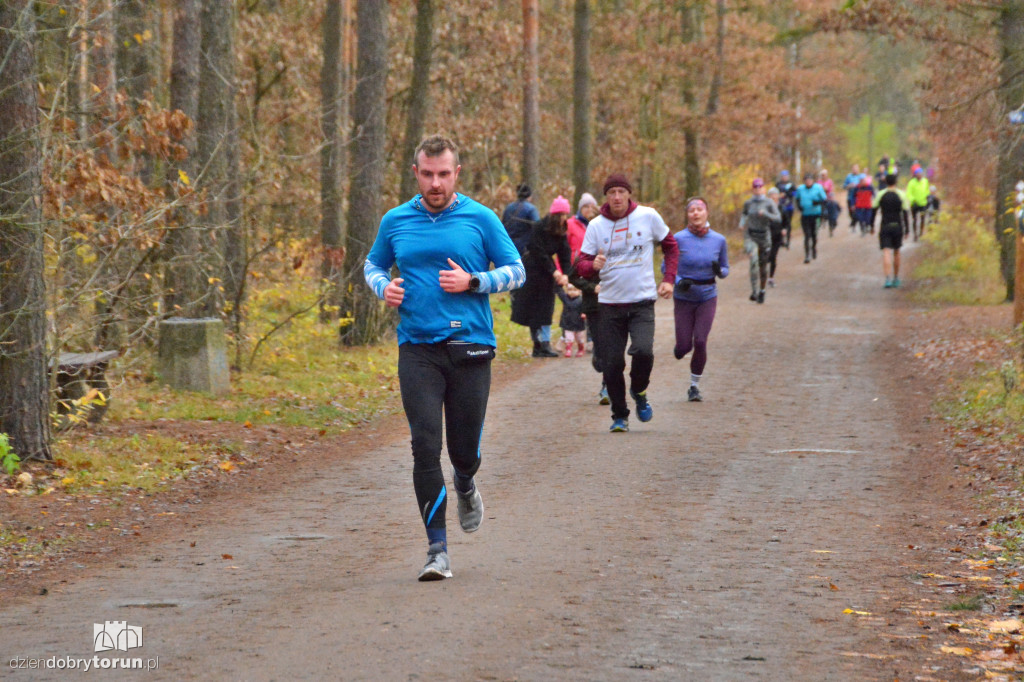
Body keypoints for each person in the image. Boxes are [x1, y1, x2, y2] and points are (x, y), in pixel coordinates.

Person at [363, 135, 525, 581]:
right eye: (428, 174)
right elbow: (373, 265)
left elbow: (517, 271)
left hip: (471, 347)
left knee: (463, 450)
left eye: (444, 174)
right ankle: (437, 550)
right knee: (424, 446)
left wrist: (474, 282)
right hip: (417, 349)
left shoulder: (482, 218)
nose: (436, 182)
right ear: (415, 173)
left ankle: (467, 481)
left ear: (457, 173)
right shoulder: (395, 220)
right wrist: (384, 288)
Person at [576, 173, 678, 433]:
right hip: (609, 304)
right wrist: (592, 265)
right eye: (612, 193)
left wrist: (668, 278)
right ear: (606, 197)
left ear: (629, 193)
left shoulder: (648, 216)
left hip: (642, 301)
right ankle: (619, 415)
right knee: (611, 363)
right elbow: (580, 266)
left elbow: (670, 246)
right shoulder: (596, 225)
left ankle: (639, 389)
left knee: (643, 351)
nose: (617, 197)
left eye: (621, 191)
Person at [672, 196, 729, 402]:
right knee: (684, 347)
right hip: (684, 296)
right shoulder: (678, 238)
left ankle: (694, 386)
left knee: (701, 340)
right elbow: (666, 266)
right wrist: (679, 281)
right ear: (687, 215)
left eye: (699, 209)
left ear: (707, 213)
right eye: (691, 210)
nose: (695, 213)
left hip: (707, 295)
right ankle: (680, 348)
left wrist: (719, 271)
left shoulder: (719, 240)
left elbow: (725, 269)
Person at [511, 195, 573, 357]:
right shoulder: (539, 227)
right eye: (562, 215)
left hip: (547, 275)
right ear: (555, 216)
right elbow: (538, 251)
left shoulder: (561, 231)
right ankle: (537, 344)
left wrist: (565, 274)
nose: (564, 219)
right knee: (533, 310)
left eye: (566, 215)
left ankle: (545, 343)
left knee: (546, 309)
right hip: (532, 271)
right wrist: (554, 271)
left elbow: (564, 253)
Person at [739, 177, 780, 303]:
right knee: (753, 261)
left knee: (763, 266)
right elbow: (744, 213)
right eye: (755, 187)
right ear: (753, 189)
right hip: (751, 235)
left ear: (763, 188)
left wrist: (766, 214)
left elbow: (778, 218)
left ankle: (762, 290)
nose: (757, 189)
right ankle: (754, 291)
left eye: (759, 187)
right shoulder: (748, 203)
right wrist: (742, 223)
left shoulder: (769, 203)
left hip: (764, 237)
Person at [872, 173, 910, 288]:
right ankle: (896, 278)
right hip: (897, 226)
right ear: (896, 182)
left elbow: (874, 209)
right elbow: (905, 212)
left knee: (886, 252)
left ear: (886, 182)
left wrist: (871, 225)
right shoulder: (901, 194)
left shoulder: (880, 194)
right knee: (897, 251)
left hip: (885, 225)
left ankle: (887, 279)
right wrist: (907, 229)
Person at [794, 173, 828, 263]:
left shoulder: (818, 188)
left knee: (814, 234)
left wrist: (818, 203)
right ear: (804, 181)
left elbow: (824, 199)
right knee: (807, 235)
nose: (808, 182)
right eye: (806, 180)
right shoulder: (800, 189)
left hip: (816, 214)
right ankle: (807, 255)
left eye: (810, 180)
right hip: (805, 215)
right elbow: (797, 198)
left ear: (813, 181)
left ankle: (814, 248)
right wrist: (799, 207)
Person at [501, 183, 540, 257]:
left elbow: (503, 227)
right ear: (530, 196)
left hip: (508, 247)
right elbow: (537, 229)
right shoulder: (531, 209)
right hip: (525, 249)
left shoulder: (508, 208)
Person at [567, 192, 599, 262]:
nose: (590, 209)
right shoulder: (570, 223)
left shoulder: (598, 225)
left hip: (592, 266)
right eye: (586, 207)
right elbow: (562, 249)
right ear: (581, 208)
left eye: (592, 207)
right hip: (573, 267)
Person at [556, 283, 586, 357]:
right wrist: (560, 282)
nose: (572, 292)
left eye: (575, 290)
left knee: (579, 338)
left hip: (578, 322)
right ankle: (568, 349)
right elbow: (559, 291)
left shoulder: (582, 299)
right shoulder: (565, 298)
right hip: (568, 322)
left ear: (579, 291)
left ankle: (581, 348)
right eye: (570, 290)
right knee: (569, 338)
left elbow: (586, 307)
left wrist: (584, 313)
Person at [765, 186, 785, 287]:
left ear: (778, 196)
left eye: (775, 194)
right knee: (767, 256)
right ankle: (764, 275)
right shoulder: (765, 207)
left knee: (773, 256)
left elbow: (786, 220)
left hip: (777, 234)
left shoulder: (781, 207)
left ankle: (771, 278)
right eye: (771, 194)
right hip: (767, 234)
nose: (773, 196)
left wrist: (784, 229)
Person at [906, 165, 930, 241]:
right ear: (915, 175)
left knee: (923, 218)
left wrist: (928, 196)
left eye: (920, 174)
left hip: (923, 203)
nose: (919, 175)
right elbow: (908, 193)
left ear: (922, 174)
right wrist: (913, 200)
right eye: (918, 174)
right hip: (914, 204)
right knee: (914, 219)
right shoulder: (911, 182)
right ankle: (915, 234)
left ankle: (921, 232)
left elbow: (927, 190)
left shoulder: (925, 181)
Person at [775, 170, 797, 248]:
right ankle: (781, 240)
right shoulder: (778, 184)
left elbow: (795, 193)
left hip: (789, 207)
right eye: (783, 176)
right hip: (780, 207)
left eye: (786, 176)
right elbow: (775, 193)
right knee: (780, 223)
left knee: (788, 223)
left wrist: (787, 193)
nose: (784, 177)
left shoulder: (791, 184)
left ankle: (788, 240)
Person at [843, 163, 865, 229]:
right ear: (852, 169)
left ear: (858, 169)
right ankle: (854, 221)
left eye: (856, 168)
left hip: (859, 197)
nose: (855, 170)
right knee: (851, 212)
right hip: (850, 196)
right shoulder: (848, 176)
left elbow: (866, 185)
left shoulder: (862, 176)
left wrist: (858, 185)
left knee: (859, 211)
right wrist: (849, 186)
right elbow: (844, 186)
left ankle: (861, 226)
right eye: (853, 168)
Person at [819, 169, 840, 237]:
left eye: (824, 175)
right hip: (821, 200)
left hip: (829, 199)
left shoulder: (829, 181)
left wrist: (831, 197)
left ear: (826, 175)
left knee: (832, 213)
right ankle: (822, 221)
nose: (823, 176)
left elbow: (831, 190)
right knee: (822, 212)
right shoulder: (818, 182)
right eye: (822, 175)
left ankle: (832, 226)